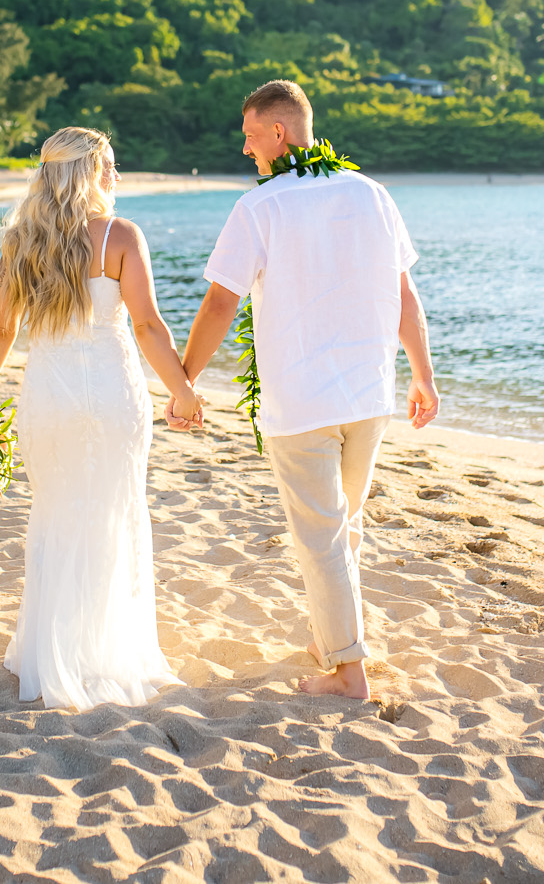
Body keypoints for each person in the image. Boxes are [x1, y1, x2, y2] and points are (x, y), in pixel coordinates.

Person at [174, 81, 439, 700]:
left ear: (279, 133)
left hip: (301, 401)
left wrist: (185, 375)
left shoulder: (261, 208)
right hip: (368, 396)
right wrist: (422, 374)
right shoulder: (371, 194)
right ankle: (331, 640)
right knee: (343, 527)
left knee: (321, 534)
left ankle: (349, 673)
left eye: (248, 135)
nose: (245, 149)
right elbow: (405, 294)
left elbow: (220, 301)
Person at [0, 126, 200, 709]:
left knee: (58, 512)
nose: (117, 176)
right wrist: (183, 391)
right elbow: (147, 327)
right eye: (110, 165)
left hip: (51, 395)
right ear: (88, 172)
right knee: (115, 511)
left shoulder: (20, 239)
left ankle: (51, 649)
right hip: (114, 397)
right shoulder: (119, 236)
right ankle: (108, 652)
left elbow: (1, 330)